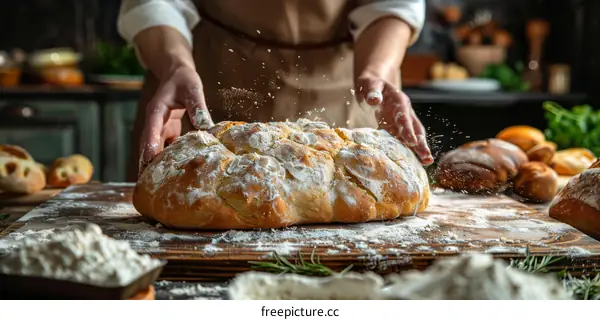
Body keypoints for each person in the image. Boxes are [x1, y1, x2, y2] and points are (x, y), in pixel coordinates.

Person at [118, 0, 434, 182]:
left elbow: (392, 4)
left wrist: (377, 70)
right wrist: (174, 65)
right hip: (202, 83)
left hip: (346, 94)